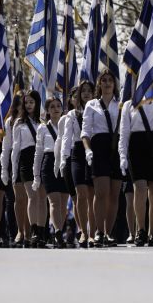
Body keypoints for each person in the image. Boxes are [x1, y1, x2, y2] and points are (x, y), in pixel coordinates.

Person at [118, 88, 153, 246]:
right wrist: (122, 155)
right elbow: (124, 133)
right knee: (140, 189)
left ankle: (152, 233)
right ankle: (140, 230)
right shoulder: (129, 104)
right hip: (137, 147)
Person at [81, 71, 121, 246]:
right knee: (101, 192)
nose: (107, 83)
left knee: (114, 194)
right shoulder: (91, 105)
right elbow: (85, 132)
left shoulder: (121, 104)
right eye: (103, 80)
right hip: (99, 146)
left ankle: (108, 232)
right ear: (99, 84)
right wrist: (88, 150)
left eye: (110, 80)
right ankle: (98, 231)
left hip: (117, 147)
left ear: (115, 84)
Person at [59, 81, 96, 247]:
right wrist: (63, 158)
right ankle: (83, 232)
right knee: (80, 195)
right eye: (83, 91)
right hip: (77, 154)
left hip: (93, 151)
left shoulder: (97, 110)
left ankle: (93, 233)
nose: (86, 94)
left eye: (89, 91)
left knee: (92, 196)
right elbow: (66, 138)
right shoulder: (72, 115)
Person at [2, 91, 40, 247]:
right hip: (19, 160)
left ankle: (33, 232)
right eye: (25, 102)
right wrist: (6, 169)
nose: (27, 105)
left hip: (37, 159)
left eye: (31, 102)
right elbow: (11, 148)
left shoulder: (41, 121)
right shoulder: (15, 122)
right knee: (20, 199)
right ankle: (21, 231)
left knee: (34, 197)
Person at [32, 96, 70, 247]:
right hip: (48, 164)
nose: (56, 109)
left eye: (58, 106)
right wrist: (36, 175)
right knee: (54, 201)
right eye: (52, 106)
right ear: (47, 110)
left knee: (63, 202)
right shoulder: (42, 128)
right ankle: (58, 233)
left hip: (64, 162)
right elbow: (38, 153)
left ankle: (58, 230)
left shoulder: (67, 124)